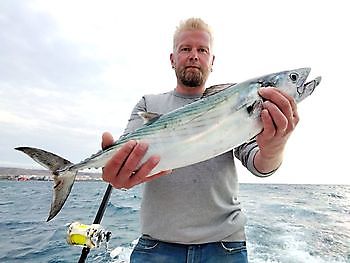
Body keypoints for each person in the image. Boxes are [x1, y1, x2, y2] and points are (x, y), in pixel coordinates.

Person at [102, 18, 299, 263]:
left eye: (202, 50)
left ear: (212, 61)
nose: (194, 56)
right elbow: (125, 155)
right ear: (172, 58)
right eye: (185, 49)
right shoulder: (148, 104)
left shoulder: (236, 102)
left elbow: (259, 163)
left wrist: (274, 147)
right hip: (156, 246)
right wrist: (118, 171)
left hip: (225, 246)